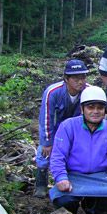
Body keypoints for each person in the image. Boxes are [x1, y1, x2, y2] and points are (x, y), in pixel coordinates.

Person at [49, 86, 107, 214]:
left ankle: (92, 206)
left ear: (104, 110)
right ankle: (73, 209)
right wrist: (61, 178)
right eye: (91, 107)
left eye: (100, 108)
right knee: (64, 200)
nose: (95, 111)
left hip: (100, 177)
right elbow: (58, 156)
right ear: (82, 109)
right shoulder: (68, 126)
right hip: (74, 176)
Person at [34, 59, 89, 198]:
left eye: (82, 77)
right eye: (76, 78)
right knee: (44, 154)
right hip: (56, 127)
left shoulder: (88, 91)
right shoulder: (53, 92)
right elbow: (46, 118)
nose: (80, 82)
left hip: (76, 129)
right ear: (66, 78)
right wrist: (48, 141)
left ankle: (75, 180)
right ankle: (41, 184)